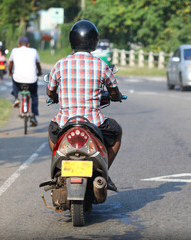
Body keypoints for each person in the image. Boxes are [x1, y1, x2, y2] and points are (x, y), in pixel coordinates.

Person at [46, 20, 123, 191]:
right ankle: (104, 172)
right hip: (94, 122)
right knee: (116, 131)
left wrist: (55, 96)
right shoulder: (101, 65)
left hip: (64, 123)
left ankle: (58, 168)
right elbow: (114, 91)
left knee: (52, 132)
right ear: (93, 41)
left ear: (72, 40)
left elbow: (50, 92)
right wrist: (116, 96)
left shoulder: (60, 64)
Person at [8, 36, 42, 126]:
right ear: (28, 45)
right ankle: (33, 116)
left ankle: (16, 98)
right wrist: (40, 72)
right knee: (34, 96)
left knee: (14, 80)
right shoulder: (34, 51)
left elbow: (10, 63)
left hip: (18, 80)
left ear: (19, 45)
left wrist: (10, 72)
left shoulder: (14, 51)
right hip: (32, 80)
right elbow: (38, 64)